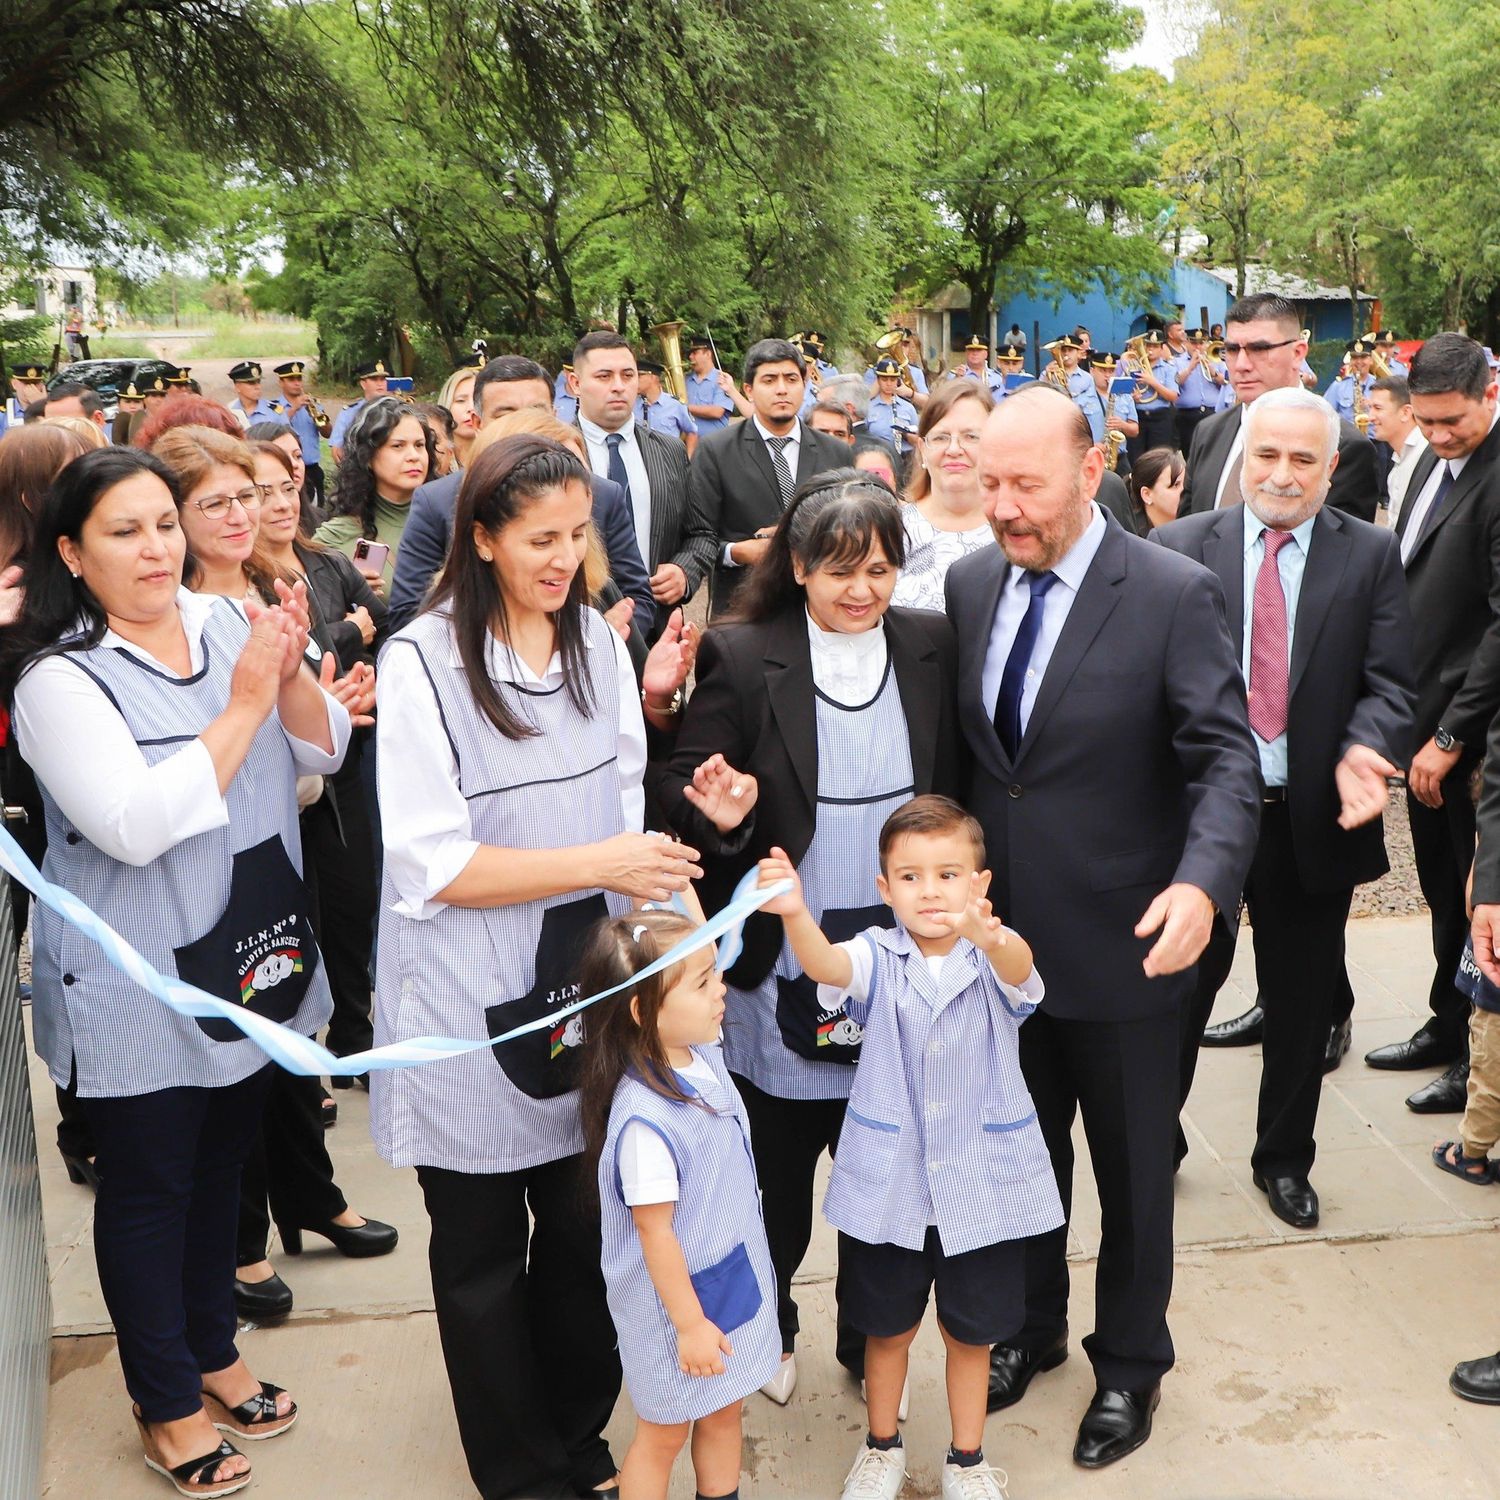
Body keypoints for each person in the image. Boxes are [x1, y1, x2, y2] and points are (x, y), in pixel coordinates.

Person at [3, 444, 350, 1495]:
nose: (156, 548)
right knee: (153, 1190)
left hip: (245, 960)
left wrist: (285, 685)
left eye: (165, 522)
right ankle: (162, 1401)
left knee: (222, 1172)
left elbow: (325, 753)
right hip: (139, 984)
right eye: (124, 531)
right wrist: (244, 704)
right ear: (72, 551)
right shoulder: (62, 679)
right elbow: (134, 827)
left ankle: (212, 1351)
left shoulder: (223, 621)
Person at [371, 433, 701, 1500]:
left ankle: (575, 1429)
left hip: (586, 987)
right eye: (538, 540)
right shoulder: (422, 663)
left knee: (583, 1228)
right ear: (480, 538)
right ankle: (519, 1476)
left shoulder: (599, 651)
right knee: (477, 1256)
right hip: (466, 1000)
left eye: (579, 537)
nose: (564, 560)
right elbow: (431, 864)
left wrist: (666, 926)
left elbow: (622, 811)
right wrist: (601, 861)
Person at [943, 386, 1260, 1467]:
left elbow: (1226, 759)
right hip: (1003, 955)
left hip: (1130, 950)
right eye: (987, 483)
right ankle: (1029, 1327)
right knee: (1020, 1162)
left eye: (1024, 484)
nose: (1002, 507)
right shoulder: (973, 580)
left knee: (1131, 1180)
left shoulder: (1173, 591)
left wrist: (1204, 885)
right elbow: (976, 766)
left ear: (1091, 472)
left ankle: (1129, 1367)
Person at [662, 472, 963, 1406]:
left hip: (900, 945)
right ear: (795, 567)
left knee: (888, 1166)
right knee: (780, 1171)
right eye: (837, 569)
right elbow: (681, 784)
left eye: (877, 569)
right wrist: (727, 818)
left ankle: (873, 1339)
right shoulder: (744, 653)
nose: (860, 590)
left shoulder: (930, 644)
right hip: (785, 947)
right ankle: (774, 1322)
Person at [1156, 388, 1416, 1227]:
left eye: (1304, 458)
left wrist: (1364, 750)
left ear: (1331, 466)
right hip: (1198, 819)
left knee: (1301, 1003)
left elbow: (1390, 683)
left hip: (1311, 817)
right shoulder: (1179, 548)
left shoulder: (1371, 554)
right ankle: (1154, 1140)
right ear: (1244, 456)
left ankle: (1284, 1161)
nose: (1282, 473)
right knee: (1176, 991)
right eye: (1267, 454)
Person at [757, 797, 1059, 1500]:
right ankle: (882, 1446)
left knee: (971, 1335)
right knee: (885, 1329)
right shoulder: (875, 954)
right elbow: (826, 967)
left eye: (949, 874)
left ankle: (967, 1458)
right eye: (911, 877)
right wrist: (797, 913)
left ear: (980, 885)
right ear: (884, 890)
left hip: (979, 1187)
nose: (931, 892)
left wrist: (990, 937)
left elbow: (1024, 970)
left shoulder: (992, 955)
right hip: (892, 1184)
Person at [578, 907, 780, 1500]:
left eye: (714, 973)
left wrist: (682, 878)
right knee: (663, 1433)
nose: (722, 989)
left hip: (723, 1284)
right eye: (703, 982)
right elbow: (654, 1234)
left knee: (723, 1412)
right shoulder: (646, 1121)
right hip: (676, 1310)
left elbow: (697, 932)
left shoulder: (698, 1051)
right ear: (643, 1012)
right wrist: (689, 1325)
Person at [1364, 332, 1500, 1115]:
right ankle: (1446, 1023)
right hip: (1420, 722)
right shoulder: (1427, 460)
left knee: (1478, 895)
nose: (1442, 435)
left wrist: (1451, 736)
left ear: (1489, 395)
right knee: (1442, 891)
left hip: (1471, 735)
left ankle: (1474, 1050)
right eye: (1429, 420)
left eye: (1455, 421)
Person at [390, 362, 657, 636]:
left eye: (577, 534)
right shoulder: (437, 500)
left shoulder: (601, 493)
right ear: (478, 423)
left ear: (554, 415)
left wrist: (602, 635)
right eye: (506, 415)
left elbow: (637, 598)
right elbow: (407, 615)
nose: (523, 426)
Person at [686, 338, 851, 616]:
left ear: (805, 383)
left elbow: (852, 526)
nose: (782, 389)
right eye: (769, 380)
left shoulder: (837, 453)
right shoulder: (716, 450)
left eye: (791, 379)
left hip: (822, 609)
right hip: (744, 608)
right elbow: (697, 536)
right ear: (748, 389)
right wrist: (739, 552)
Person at [1178, 295, 1378, 522]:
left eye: (1260, 348)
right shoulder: (1208, 432)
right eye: (1232, 350)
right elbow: (1187, 536)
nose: (1242, 365)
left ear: (1298, 353)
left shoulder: (1347, 447)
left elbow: (1343, 550)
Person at [571, 332, 714, 632]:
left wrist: (684, 571)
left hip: (657, 631)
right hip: (577, 628)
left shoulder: (669, 450)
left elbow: (701, 533)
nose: (619, 386)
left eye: (628, 375)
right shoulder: (555, 453)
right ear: (575, 383)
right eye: (604, 376)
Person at [890, 380, 995, 612]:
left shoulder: (1014, 533)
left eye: (971, 436)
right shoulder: (891, 531)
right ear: (922, 449)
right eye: (940, 437)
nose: (954, 449)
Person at [314, 396, 434, 594]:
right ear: (367, 456)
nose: (414, 456)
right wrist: (346, 589)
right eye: (398, 446)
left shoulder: (451, 515)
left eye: (420, 445)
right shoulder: (336, 536)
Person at [270, 361, 332, 510]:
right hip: (288, 469)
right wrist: (295, 407)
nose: (297, 383)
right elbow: (273, 430)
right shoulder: (275, 407)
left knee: (317, 512)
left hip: (312, 469)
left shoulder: (313, 404)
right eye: (291, 380)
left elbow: (328, 433)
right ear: (281, 382)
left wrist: (319, 417)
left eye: (299, 379)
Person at [1368, 375, 1428, 523]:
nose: (1370, 417)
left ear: (1406, 412)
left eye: (1378, 408)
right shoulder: (1400, 458)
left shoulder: (1426, 456)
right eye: (1370, 408)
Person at [1104, 447, 1184, 537]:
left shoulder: (1190, 530)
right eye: (1175, 485)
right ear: (1147, 495)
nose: (1183, 490)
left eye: (1185, 483)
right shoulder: (1132, 539)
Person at [1126, 330, 1180, 457]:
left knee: (1158, 459)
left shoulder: (1169, 369)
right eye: (1148, 345)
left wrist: (1152, 382)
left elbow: (1173, 396)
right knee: (1136, 457)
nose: (1151, 349)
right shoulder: (1133, 367)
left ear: (1162, 349)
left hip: (1160, 418)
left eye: (1155, 346)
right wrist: (1132, 398)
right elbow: (1123, 393)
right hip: (1138, 417)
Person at [1080, 352, 1137, 467]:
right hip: (1092, 457)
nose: (1107, 375)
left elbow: (1135, 430)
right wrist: (1091, 445)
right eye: (1102, 370)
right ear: (1092, 371)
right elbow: (1075, 434)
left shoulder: (1125, 397)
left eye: (1111, 371)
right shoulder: (1081, 399)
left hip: (1119, 458)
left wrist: (1122, 425)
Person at [1173, 329, 1228, 451]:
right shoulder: (1177, 361)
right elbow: (1175, 381)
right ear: (1187, 343)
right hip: (1187, 414)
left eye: (1201, 343)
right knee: (1190, 451)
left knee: (1214, 450)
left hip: (1212, 411)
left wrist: (1213, 372)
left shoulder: (1216, 360)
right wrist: (1190, 368)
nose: (1197, 347)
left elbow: (1226, 382)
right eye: (1193, 343)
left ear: (1206, 344)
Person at [684, 335, 751, 432]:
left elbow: (717, 412)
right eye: (690, 353)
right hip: (688, 444)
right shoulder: (685, 380)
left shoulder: (722, 380)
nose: (690, 357)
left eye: (694, 353)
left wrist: (685, 408)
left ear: (708, 354)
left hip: (714, 444)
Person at [329, 358, 391, 463]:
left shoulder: (396, 409)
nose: (380, 383)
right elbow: (337, 452)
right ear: (363, 384)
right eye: (374, 379)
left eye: (383, 379)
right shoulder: (349, 413)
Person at [635, 359, 699, 458]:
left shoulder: (675, 405)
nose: (634, 380)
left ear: (653, 377)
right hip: (641, 462)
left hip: (669, 461)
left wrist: (688, 458)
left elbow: (692, 432)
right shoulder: (631, 405)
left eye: (639, 376)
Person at [864, 358, 918, 456]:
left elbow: (918, 439)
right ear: (878, 381)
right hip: (878, 456)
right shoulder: (869, 408)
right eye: (884, 379)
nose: (888, 384)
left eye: (892, 380)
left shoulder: (908, 408)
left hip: (905, 458)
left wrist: (906, 435)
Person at [1325, 338, 1377, 429]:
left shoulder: (1381, 386)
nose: (1359, 362)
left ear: (1371, 361)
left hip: (1374, 440)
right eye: (1354, 358)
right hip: (1347, 439)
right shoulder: (1338, 386)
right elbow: (1326, 415)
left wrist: (1371, 406)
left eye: (1363, 357)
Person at [439, 361, 482, 471]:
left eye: (476, 400)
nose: (471, 408)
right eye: (461, 401)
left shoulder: (501, 457)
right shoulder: (435, 460)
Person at [43, 382, 109, 439]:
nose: (55, 434)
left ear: (98, 419)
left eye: (67, 425)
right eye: (49, 426)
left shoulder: (116, 452)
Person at [226, 362, 278, 430]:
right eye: (251, 383)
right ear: (237, 387)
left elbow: (288, 437)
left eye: (258, 382)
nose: (258, 387)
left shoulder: (275, 411)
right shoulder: (228, 411)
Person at [415, 400, 458, 476]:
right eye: (418, 444)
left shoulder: (465, 486)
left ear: (450, 451)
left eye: (433, 441)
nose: (427, 450)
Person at [5, 363, 49, 431]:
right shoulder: (3, 413)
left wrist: (41, 406)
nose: (31, 388)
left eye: (35, 383)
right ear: (14, 384)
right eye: (26, 383)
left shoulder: (52, 409)